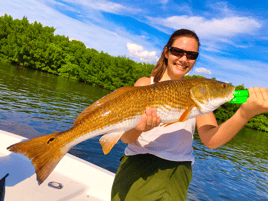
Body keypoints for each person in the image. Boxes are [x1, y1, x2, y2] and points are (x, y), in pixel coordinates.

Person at [111, 29, 268, 201]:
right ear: (166, 51)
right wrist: (140, 129)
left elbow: (211, 140)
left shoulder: (199, 94)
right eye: (178, 51)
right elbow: (126, 138)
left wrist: (244, 114)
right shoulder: (145, 84)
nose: (184, 59)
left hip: (179, 174)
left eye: (191, 55)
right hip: (138, 167)